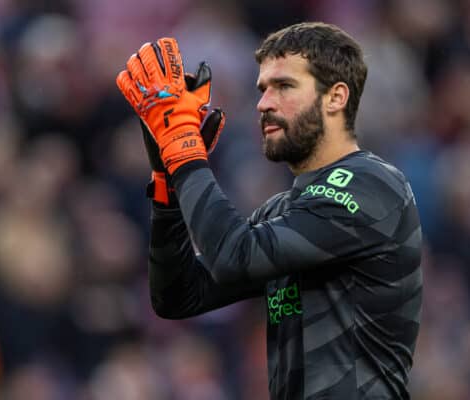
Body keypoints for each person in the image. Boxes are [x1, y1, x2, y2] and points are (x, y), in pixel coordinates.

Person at [116, 22, 422, 400]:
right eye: (262, 90)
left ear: (335, 98)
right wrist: (168, 182)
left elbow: (233, 254)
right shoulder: (285, 209)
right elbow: (178, 295)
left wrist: (186, 154)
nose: (264, 104)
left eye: (284, 86)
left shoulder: (373, 186)